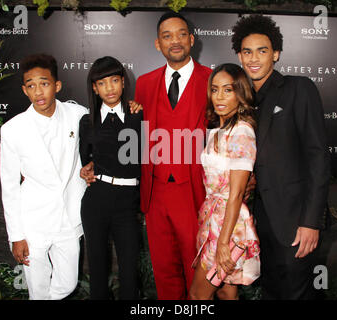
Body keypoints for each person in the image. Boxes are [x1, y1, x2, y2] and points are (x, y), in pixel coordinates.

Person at [231, 15, 331, 299]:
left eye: (262, 50)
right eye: (247, 52)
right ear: (239, 55)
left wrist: (311, 221)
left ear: (275, 53)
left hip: (295, 222)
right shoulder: (242, 101)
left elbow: (318, 158)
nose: (254, 58)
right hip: (258, 225)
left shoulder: (299, 89)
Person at [134, 12, 212, 299]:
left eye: (181, 34)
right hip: (155, 192)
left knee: (198, 270)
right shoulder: (143, 83)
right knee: (163, 270)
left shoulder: (212, 80)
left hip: (195, 191)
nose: (175, 41)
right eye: (167, 36)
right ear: (158, 44)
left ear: (191, 39)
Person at [0, 54, 88, 300]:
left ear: (56, 85)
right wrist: (16, 235)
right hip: (32, 223)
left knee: (68, 284)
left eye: (44, 83)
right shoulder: (12, 130)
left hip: (69, 220)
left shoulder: (77, 114)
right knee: (37, 290)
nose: (38, 91)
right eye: (31, 85)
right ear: (25, 90)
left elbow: (107, 122)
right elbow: (9, 186)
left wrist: (132, 107)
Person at [189, 63, 261, 300]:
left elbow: (236, 194)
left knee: (198, 296)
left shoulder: (241, 132)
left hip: (227, 227)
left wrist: (222, 243)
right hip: (213, 219)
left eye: (227, 90)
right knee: (226, 291)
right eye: (215, 89)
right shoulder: (217, 131)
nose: (219, 97)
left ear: (240, 94)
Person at [79, 56, 142, 300]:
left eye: (114, 81)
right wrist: (87, 168)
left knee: (128, 270)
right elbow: (85, 160)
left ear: (123, 82)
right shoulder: (88, 122)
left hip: (127, 204)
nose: (110, 88)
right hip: (97, 200)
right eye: (102, 83)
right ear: (95, 88)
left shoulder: (138, 115)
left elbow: (144, 157)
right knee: (97, 268)